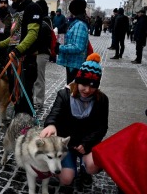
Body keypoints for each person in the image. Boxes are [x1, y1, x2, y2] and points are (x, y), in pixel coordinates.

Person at [40, 53, 108, 194]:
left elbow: (102, 127)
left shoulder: (102, 100)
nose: (87, 90)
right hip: (67, 144)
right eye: (83, 84)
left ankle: (85, 170)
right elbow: (54, 114)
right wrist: (51, 124)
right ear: (77, 81)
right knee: (66, 179)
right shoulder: (64, 95)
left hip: (86, 144)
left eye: (93, 86)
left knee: (94, 166)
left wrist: (87, 143)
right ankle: (70, 169)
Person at [0, 0, 42, 116]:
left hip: (25, 60)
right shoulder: (17, 10)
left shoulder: (33, 8)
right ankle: (18, 118)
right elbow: (15, 37)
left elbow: (32, 35)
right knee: (14, 92)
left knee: (24, 93)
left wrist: (18, 50)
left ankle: (26, 122)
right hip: (14, 59)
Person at [57, 0, 89, 84]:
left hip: (75, 64)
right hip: (72, 63)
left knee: (73, 91)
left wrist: (59, 47)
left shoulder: (79, 25)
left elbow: (78, 47)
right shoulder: (76, 23)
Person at [33, 0, 52, 110]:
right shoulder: (45, 21)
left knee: (39, 78)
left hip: (41, 53)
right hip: (40, 53)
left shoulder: (43, 23)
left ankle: (39, 102)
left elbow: (42, 41)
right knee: (36, 78)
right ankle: (36, 100)